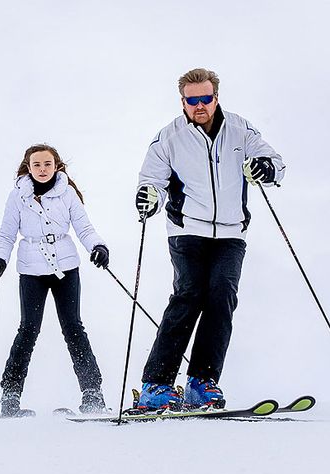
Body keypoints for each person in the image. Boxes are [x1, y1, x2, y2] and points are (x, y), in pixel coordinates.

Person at [132, 67, 285, 413]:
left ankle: (201, 382)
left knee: (221, 297)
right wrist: (148, 196)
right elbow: (150, 179)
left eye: (206, 98)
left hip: (231, 231)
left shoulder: (241, 129)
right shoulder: (168, 137)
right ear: (182, 101)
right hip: (187, 229)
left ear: (217, 96)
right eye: (192, 100)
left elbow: (275, 162)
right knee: (189, 294)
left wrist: (265, 168)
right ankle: (156, 384)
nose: (200, 106)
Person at [0, 144, 110, 416]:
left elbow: (84, 228)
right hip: (31, 270)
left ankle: (93, 394)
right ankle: (10, 396)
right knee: (28, 329)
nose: (42, 170)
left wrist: (97, 247)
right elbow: (6, 235)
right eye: (37, 165)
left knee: (74, 328)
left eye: (47, 164)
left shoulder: (67, 195)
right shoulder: (17, 197)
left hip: (66, 267)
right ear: (28, 168)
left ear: (56, 166)